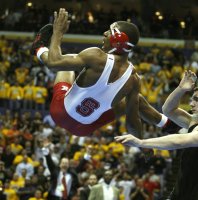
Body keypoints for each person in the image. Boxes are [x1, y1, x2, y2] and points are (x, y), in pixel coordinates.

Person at [31, 8, 169, 140]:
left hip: (61, 113)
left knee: (65, 66)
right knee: (136, 101)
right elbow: (132, 123)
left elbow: (54, 62)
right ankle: (169, 124)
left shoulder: (96, 56)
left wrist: (57, 34)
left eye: (109, 31)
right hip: (84, 128)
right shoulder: (134, 80)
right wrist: (142, 144)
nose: (104, 33)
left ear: (118, 40)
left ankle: (39, 48)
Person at [115, 70, 198, 200]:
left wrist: (141, 142)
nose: (191, 104)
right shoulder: (194, 122)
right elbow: (168, 110)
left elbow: (180, 141)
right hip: (179, 193)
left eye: (196, 99)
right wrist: (180, 89)